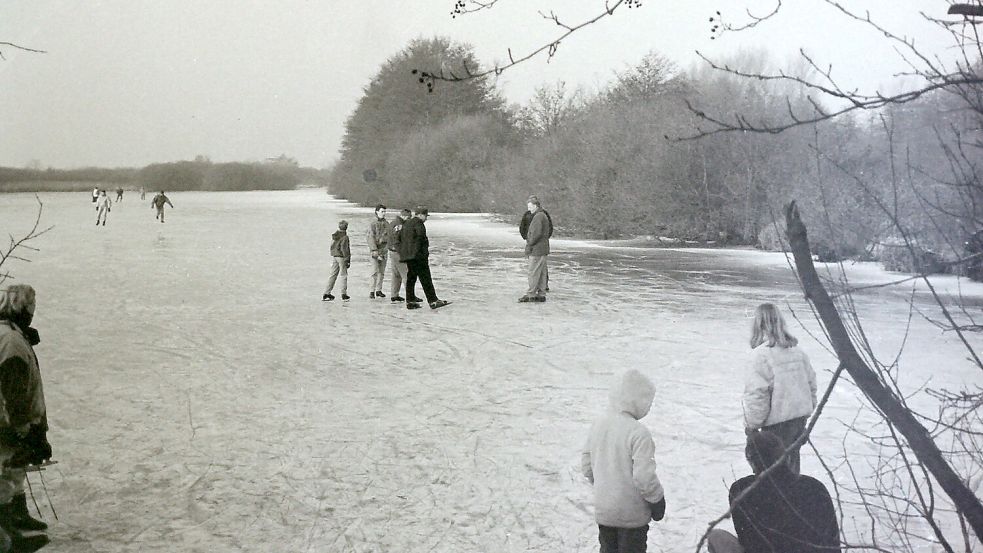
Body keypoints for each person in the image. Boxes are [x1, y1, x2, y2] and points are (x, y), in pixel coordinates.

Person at [707, 432, 839, 553]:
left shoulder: (741, 489)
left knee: (716, 536)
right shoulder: (814, 487)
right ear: (784, 456)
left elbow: (747, 538)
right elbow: (832, 541)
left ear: (751, 460)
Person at [581, 369, 666, 553]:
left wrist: (606, 487)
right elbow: (644, 477)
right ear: (637, 401)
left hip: (605, 513)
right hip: (632, 517)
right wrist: (657, 500)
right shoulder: (638, 433)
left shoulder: (598, 425)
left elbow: (587, 466)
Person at [0, 285, 54, 553]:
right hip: (11, 423)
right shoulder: (11, 342)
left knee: (12, 473)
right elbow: (13, 390)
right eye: (30, 309)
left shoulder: (12, 336)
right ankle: (9, 541)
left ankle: (15, 521)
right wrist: (22, 429)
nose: (33, 313)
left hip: (12, 421)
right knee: (6, 475)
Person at [743, 303, 817, 474]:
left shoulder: (760, 356)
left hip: (775, 429)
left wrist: (752, 425)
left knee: (770, 475)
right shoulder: (798, 352)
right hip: (798, 423)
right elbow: (812, 386)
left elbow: (757, 395)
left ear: (758, 325)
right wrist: (805, 412)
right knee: (791, 474)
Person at [398, 206, 449, 310]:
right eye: (425, 216)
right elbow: (420, 240)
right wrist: (423, 254)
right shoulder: (419, 224)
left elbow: (400, 238)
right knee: (426, 279)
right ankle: (433, 300)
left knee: (411, 278)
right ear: (420, 215)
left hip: (408, 256)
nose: (426, 218)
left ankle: (410, 301)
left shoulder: (406, 223)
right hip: (418, 257)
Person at [519, 195, 551, 303]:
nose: (529, 209)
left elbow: (535, 234)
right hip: (543, 249)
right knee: (541, 272)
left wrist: (529, 245)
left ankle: (531, 294)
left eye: (530, 206)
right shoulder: (542, 215)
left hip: (537, 249)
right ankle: (541, 294)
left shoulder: (538, 217)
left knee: (533, 272)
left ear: (536, 206)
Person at [322, 220, 351, 302]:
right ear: (346, 227)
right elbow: (345, 249)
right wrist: (347, 260)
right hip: (341, 257)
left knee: (333, 275)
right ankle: (344, 294)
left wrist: (333, 253)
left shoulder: (335, 235)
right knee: (344, 275)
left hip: (335, 256)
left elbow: (332, 246)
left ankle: (326, 293)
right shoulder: (345, 237)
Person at [387, 208, 411, 303]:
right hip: (398, 252)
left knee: (396, 274)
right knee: (406, 275)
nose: (409, 220)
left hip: (391, 251)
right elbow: (397, 239)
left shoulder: (392, 223)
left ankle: (394, 295)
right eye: (409, 218)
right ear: (404, 216)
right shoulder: (400, 225)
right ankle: (410, 296)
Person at [366, 204, 389, 299]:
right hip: (375, 250)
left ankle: (379, 290)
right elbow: (370, 237)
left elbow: (389, 237)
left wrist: (386, 249)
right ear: (377, 212)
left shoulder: (387, 223)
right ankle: (372, 291)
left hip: (384, 250)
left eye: (384, 212)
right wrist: (374, 250)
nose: (383, 213)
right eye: (382, 211)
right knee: (374, 271)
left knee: (382, 272)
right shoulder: (372, 224)